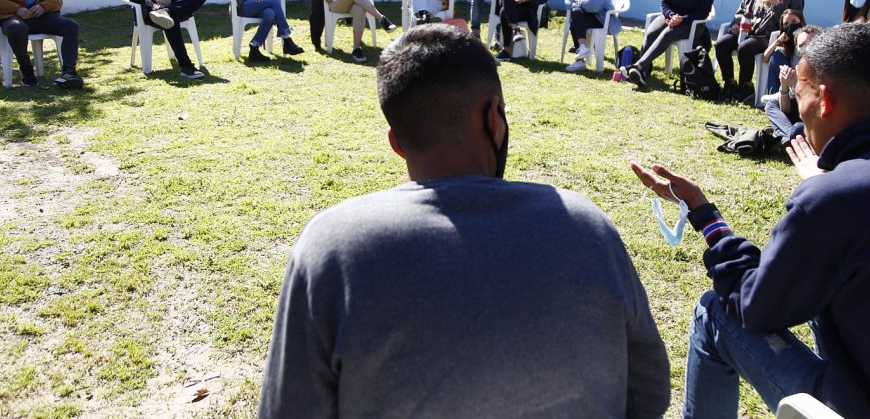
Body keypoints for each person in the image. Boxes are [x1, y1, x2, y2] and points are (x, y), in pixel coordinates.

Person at [259, 24, 671, 418]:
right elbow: (649, 390)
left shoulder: (330, 248)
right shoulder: (586, 225)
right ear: (494, 117)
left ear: (397, 143)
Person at [632, 22, 870, 419]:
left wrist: (705, 214)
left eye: (799, 93)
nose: (796, 107)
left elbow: (753, 307)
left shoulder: (834, 197)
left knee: (714, 312)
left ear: (824, 99)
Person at [714, 0, 804, 102]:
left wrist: (778, 6)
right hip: (747, 32)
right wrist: (735, 25)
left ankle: (746, 85)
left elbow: (794, 22)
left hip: (768, 37)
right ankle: (729, 82)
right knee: (721, 44)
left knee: (745, 48)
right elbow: (741, 11)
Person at [620, 0, 713, 87]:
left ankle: (638, 66)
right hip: (672, 17)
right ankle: (642, 73)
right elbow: (664, 3)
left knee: (668, 33)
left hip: (692, 23)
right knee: (651, 33)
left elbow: (703, 12)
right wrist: (671, 15)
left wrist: (683, 18)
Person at [564, 0, 620, 72]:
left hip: (601, 19)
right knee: (575, 15)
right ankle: (583, 50)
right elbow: (567, 1)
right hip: (585, 16)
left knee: (575, 18)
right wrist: (579, 3)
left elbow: (595, 6)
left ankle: (580, 59)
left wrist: (580, 0)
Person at [760, 8, 805, 99]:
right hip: (786, 81)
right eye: (786, 24)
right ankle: (776, 94)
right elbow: (765, 58)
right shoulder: (783, 44)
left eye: (794, 21)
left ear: (801, 22)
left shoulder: (807, 38)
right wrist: (778, 41)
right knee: (776, 55)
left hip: (802, 81)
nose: (790, 25)